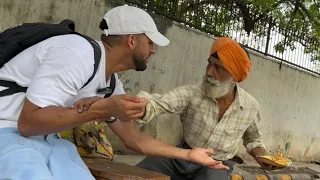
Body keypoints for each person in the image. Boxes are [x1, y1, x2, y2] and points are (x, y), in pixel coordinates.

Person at [0, 5, 228, 180]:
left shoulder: (110, 83)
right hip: (7, 133)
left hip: (48, 141)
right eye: (149, 43)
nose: (154, 51)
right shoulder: (76, 53)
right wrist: (100, 109)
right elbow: (28, 124)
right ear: (131, 40)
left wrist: (188, 155)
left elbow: (133, 139)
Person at [133, 37, 272, 180]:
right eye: (209, 64)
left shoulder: (251, 106)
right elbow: (160, 103)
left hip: (216, 164)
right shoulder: (193, 93)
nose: (210, 72)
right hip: (181, 158)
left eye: (219, 67)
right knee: (138, 174)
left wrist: (261, 156)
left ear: (234, 76)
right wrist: (140, 106)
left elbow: (253, 138)